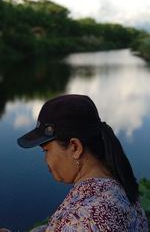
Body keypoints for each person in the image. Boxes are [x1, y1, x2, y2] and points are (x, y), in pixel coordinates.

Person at [16, 94, 148, 231]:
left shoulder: (86, 219)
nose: (45, 160)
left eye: (46, 151)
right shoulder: (120, 188)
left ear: (75, 147)